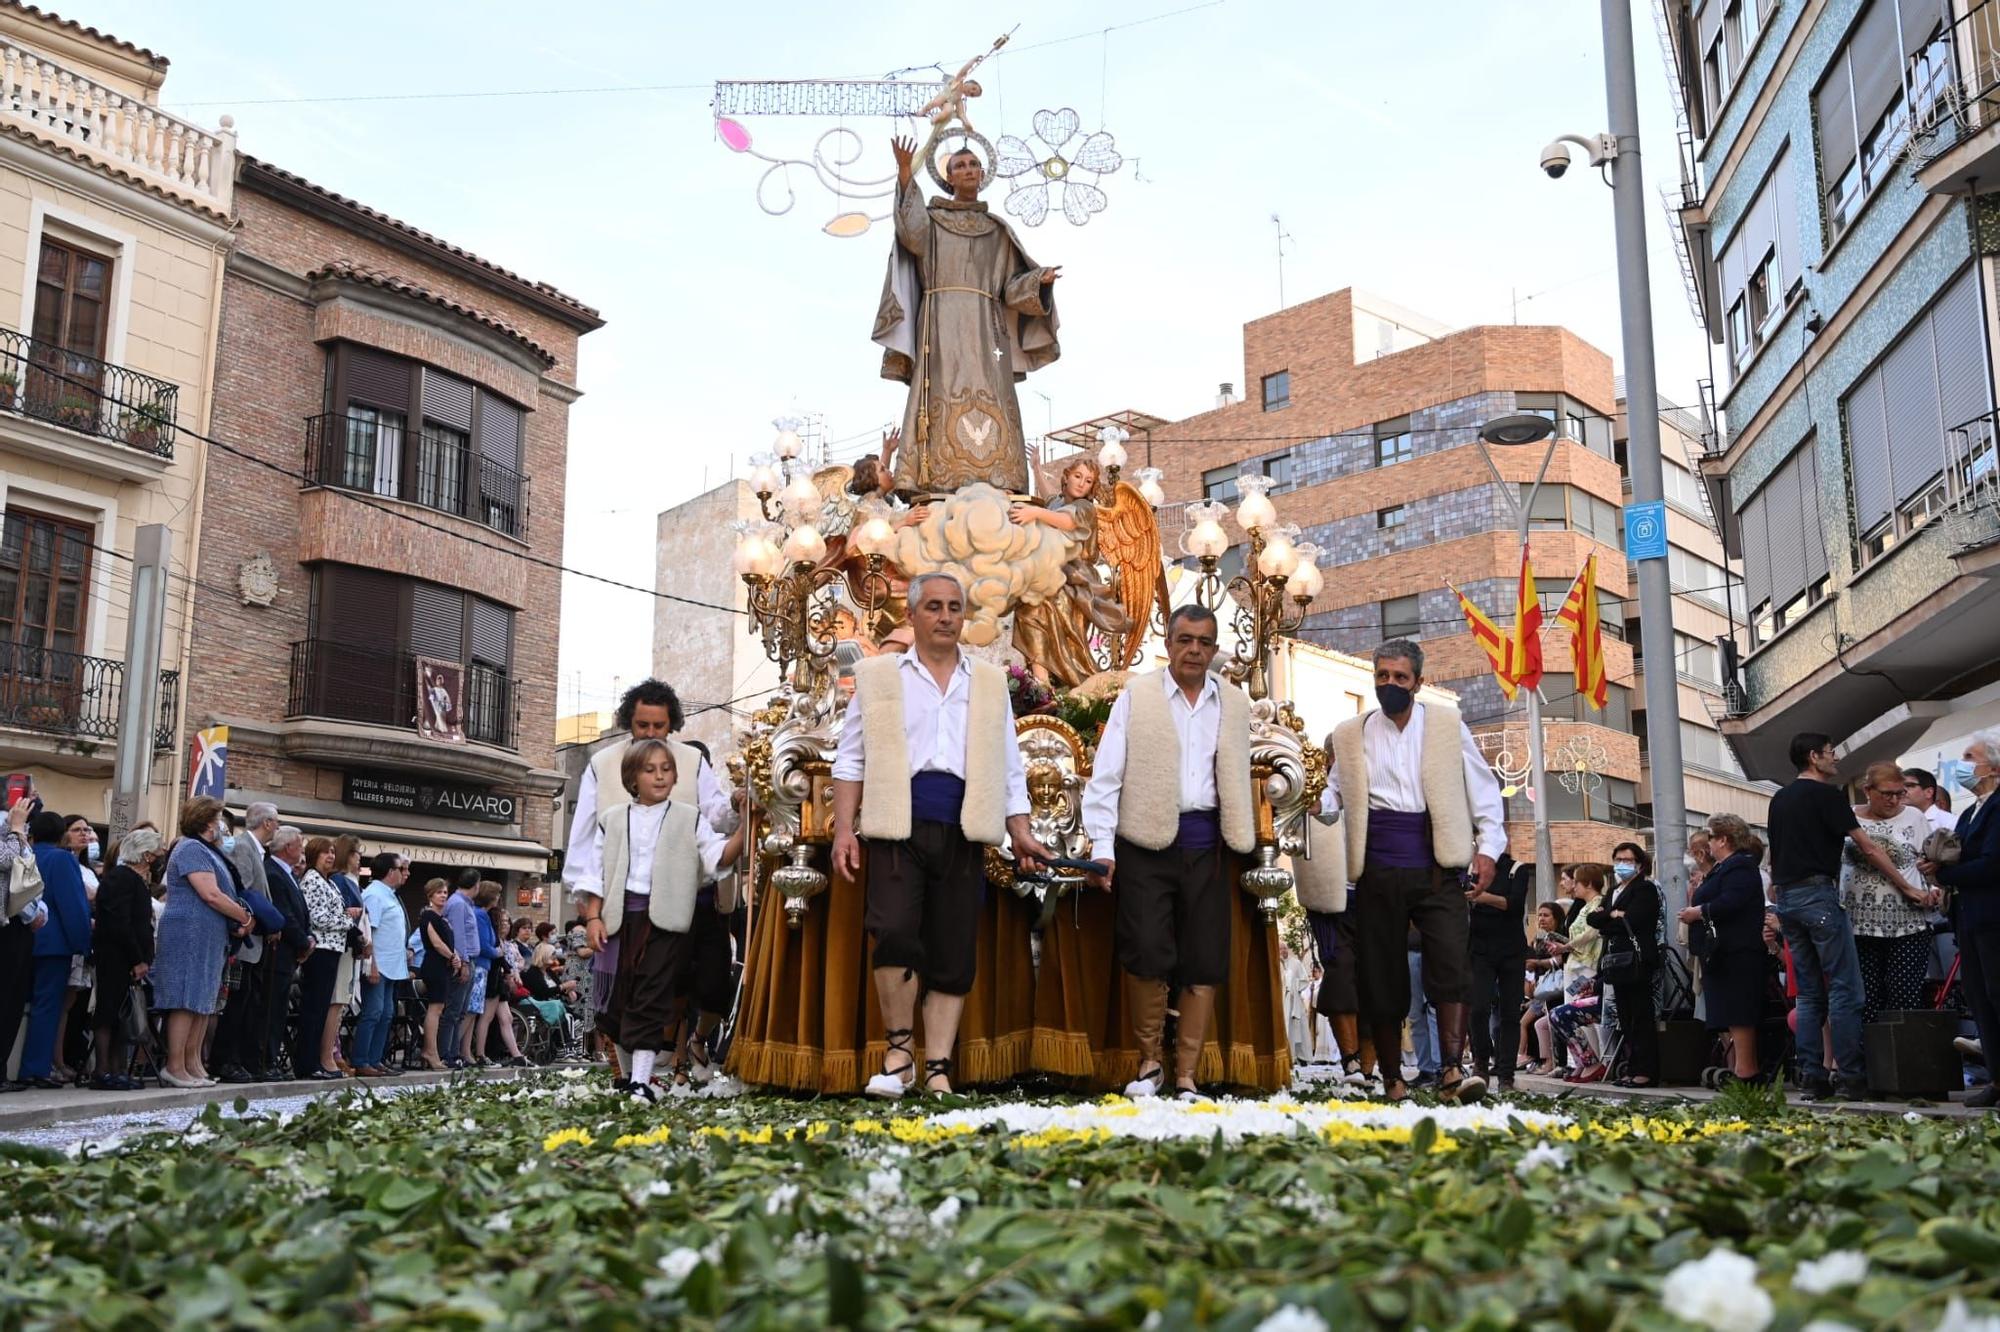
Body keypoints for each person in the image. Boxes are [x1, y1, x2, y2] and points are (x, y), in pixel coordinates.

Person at [831, 572, 1051, 1098]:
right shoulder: (880, 675)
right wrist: (844, 829)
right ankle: (900, 1052)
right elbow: (851, 755)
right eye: (934, 606)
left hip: (964, 825)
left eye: (954, 607)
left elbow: (1008, 763)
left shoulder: (990, 682)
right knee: (895, 932)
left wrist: (1018, 829)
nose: (946, 616)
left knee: (953, 949)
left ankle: (938, 1069)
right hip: (895, 822)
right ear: (912, 615)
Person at [1318, 638, 1506, 1103]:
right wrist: (1293, 797)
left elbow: (1482, 788)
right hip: (1377, 865)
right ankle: (1391, 1078)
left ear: (1418, 682)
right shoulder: (1351, 733)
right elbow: (1331, 798)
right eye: (1382, 676)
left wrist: (1489, 849)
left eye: (1400, 677)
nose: (1390, 685)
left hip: (1438, 863)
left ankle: (1451, 1071)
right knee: (1381, 973)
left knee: (1450, 962)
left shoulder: (1446, 724)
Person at [1081, 604, 1256, 1098]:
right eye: (1184, 640)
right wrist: (1101, 845)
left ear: (1215, 649)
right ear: (1169, 644)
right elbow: (1106, 775)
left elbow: (1240, 779)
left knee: (1204, 959)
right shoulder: (1138, 696)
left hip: (1209, 848)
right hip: (1145, 845)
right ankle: (1149, 1064)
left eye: (1203, 642)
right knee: (1147, 953)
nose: (1194, 650)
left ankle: (1187, 1074)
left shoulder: (1234, 703)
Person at [876, 135, 1061, 497]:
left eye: (974, 164)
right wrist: (903, 173)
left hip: (987, 330)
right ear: (948, 176)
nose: (968, 170)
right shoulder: (932, 220)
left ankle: (1000, 475)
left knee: (992, 390)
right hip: (940, 322)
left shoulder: (997, 229)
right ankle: (936, 476)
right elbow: (910, 234)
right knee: (941, 388)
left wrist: (1039, 281)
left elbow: (1010, 288)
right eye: (960, 165)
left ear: (983, 173)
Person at [573, 739, 746, 1101]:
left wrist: (748, 825)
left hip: (666, 922)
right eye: (650, 769)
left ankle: (641, 1081)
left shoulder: (689, 816)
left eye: (666, 769)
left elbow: (718, 856)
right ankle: (630, 1077)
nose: (660, 776)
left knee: (651, 997)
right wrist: (592, 918)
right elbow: (594, 875)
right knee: (619, 1001)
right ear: (631, 777)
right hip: (620, 921)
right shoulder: (613, 819)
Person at [1769, 732, 1922, 1100]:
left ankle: (1811, 1077)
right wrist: (1909, 886)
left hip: (1788, 899)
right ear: (1813, 757)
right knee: (1846, 989)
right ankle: (1852, 1076)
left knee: (1807, 994)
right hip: (1819, 895)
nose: (1835, 758)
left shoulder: (1779, 798)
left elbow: (1776, 853)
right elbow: (1868, 847)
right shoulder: (1827, 796)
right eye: (1830, 753)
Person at [151, 798, 256, 1088]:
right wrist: (244, 916)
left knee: (203, 1001)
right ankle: (175, 1065)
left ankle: (193, 1062)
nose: (224, 825)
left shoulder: (211, 852)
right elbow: (210, 894)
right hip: (189, 932)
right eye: (220, 818)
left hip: (209, 935)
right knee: (187, 997)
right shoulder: (191, 848)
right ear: (208, 821)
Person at [1923, 730, 2000, 1108]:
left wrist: (1945, 875)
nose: (1965, 765)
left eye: (1971, 757)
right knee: (1981, 997)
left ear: (1993, 766)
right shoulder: (1970, 812)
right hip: (1969, 917)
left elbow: (1991, 863)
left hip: (1993, 914)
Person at [1843, 761, 1941, 1023]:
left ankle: (1905, 1061)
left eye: (1900, 793)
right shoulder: (1848, 816)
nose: (1894, 800)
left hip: (1908, 924)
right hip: (1858, 925)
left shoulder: (1914, 817)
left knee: (1904, 997)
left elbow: (1932, 862)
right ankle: (1873, 1061)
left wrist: (1932, 889)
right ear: (1868, 790)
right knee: (1866, 998)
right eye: (1887, 793)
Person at [1682, 814, 1769, 1086]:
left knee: (1739, 1009)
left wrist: (1699, 912)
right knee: (1729, 1012)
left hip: (1737, 950)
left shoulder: (1740, 867)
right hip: (1722, 951)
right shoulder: (1723, 868)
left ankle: (1747, 1070)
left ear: (1723, 839)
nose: (1708, 843)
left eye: (1711, 837)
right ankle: (1740, 1067)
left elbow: (1732, 901)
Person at [13, 811, 93, 1090]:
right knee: (47, 1008)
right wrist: (83, 943)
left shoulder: (25, 853)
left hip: (21, 938)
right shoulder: (62, 859)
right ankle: (35, 1067)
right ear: (62, 835)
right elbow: (72, 904)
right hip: (54, 943)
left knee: (14, 1006)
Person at [212, 803, 281, 1083]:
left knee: (248, 1004)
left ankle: (238, 1060)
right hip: (245, 942)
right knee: (237, 1006)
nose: (277, 827)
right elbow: (240, 889)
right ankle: (226, 1060)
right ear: (266, 823)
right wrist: (253, 920)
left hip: (255, 943)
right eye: (276, 822)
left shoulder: (255, 849)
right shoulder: (243, 847)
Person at [90, 828, 161, 1090]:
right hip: (116, 956)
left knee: (121, 1013)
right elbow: (120, 923)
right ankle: (103, 1070)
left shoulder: (131, 879)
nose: (157, 858)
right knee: (109, 1010)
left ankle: (118, 1069)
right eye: (155, 853)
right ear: (145, 855)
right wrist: (136, 959)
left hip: (127, 957)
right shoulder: (121, 878)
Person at [1592, 842, 1663, 1087]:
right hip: (1615, 961)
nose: (1622, 864)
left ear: (1640, 864)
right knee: (1625, 1015)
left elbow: (1635, 919)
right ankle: (1631, 1068)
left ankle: (1645, 1071)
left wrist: (1610, 918)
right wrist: (1612, 915)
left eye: (1628, 860)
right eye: (1618, 859)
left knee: (1640, 1015)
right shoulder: (1613, 891)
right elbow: (1594, 918)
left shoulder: (1645, 889)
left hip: (1637, 958)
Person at [1467, 852, 1531, 1093]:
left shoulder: (1517, 869)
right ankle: (1481, 1063)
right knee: (1478, 1008)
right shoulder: (1471, 870)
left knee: (1510, 1014)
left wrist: (1482, 897)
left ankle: (1506, 1075)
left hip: (1511, 950)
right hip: (1480, 949)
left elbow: (1513, 905)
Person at [295, 838, 350, 1080]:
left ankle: (315, 1060)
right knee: (313, 1008)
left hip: (334, 948)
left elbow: (339, 910)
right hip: (321, 948)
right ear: (314, 854)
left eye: (333, 852)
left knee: (321, 1008)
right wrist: (348, 922)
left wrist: (344, 918)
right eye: (325, 852)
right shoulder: (312, 880)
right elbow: (319, 917)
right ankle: (306, 1063)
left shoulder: (330, 883)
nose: (330, 856)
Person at [1549, 865, 1608, 1083]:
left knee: (1586, 1016)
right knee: (1568, 1013)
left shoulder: (1599, 904)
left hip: (1587, 967)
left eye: (1576, 881)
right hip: (1575, 966)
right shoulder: (1582, 907)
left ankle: (1597, 1059)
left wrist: (1565, 947)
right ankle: (1583, 1061)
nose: (1573, 885)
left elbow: (1591, 935)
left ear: (1589, 883)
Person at [353, 852, 411, 1076]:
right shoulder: (375, 894)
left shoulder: (390, 894)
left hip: (392, 965)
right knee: (373, 1012)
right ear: (390, 872)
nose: (404, 873)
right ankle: (361, 1060)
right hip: (379, 964)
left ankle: (376, 1059)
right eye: (400, 869)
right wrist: (372, 964)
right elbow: (369, 932)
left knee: (386, 1013)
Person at [262, 827, 313, 1079]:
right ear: (287, 848)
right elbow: (284, 913)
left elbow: (298, 911)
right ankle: (265, 1061)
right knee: (269, 1010)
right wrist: (303, 941)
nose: (302, 850)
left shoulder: (288, 875)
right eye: (300, 846)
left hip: (289, 953)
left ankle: (270, 1060)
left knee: (278, 1010)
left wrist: (306, 940)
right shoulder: (273, 872)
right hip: (276, 952)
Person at [0, 791, 41, 1090]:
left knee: (11, 1001)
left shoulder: (12, 831)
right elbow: (11, 861)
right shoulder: (11, 832)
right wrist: (15, 828)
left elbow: (26, 866)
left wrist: (17, 826)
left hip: (14, 926)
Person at [53, 813, 98, 1083]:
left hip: (85, 941)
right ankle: (55, 1059)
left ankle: (65, 1057)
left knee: (71, 1004)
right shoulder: (63, 863)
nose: (84, 834)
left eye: (87, 829)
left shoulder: (88, 869)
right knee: (59, 1004)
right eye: (76, 829)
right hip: (68, 938)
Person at [322, 836, 369, 1075]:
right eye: (355, 853)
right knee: (337, 1000)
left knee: (342, 1002)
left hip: (352, 950)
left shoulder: (350, 882)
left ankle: (334, 1050)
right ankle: (329, 1052)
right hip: (342, 947)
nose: (358, 857)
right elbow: (343, 914)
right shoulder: (339, 881)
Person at [472, 894, 528, 1067]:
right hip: (494, 979)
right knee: (487, 1017)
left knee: (507, 1018)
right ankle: (481, 1053)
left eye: (507, 921)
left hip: (500, 980)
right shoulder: (493, 938)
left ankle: (517, 1055)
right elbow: (498, 958)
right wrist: (509, 971)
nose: (505, 925)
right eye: (502, 921)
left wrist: (510, 971)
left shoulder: (503, 941)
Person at [414, 878, 464, 1071]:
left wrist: (456, 956)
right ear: (430, 895)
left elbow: (448, 942)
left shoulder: (442, 918)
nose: (443, 895)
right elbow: (436, 942)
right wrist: (452, 956)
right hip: (434, 965)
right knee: (434, 1010)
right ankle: (430, 1051)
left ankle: (431, 1051)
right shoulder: (429, 916)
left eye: (445, 892)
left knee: (439, 1008)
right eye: (439, 892)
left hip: (444, 965)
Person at [1522, 902, 1570, 1076]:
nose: (1541, 918)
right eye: (1540, 915)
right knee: (1545, 1024)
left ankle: (1559, 1062)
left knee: (1554, 1022)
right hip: (1546, 990)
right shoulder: (1544, 938)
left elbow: (1559, 960)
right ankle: (1551, 1061)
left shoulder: (1560, 936)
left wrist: (1537, 963)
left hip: (1560, 986)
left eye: (1546, 915)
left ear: (1556, 918)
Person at [441, 870, 483, 1068]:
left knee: (461, 1011)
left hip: (470, 960)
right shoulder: (458, 904)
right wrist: (464, 963)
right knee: (454, 1010)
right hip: (463, 961)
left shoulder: (465, 904)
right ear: (475, 885)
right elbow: (458, 935)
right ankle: (446, 1053)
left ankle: (454, 1052)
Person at [1903, 768, 1959, 836]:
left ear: (1929, 792)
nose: (1902, 790)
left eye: (1909, 785)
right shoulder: (1898, 824)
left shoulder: (1950, 822)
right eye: (1900, 786)